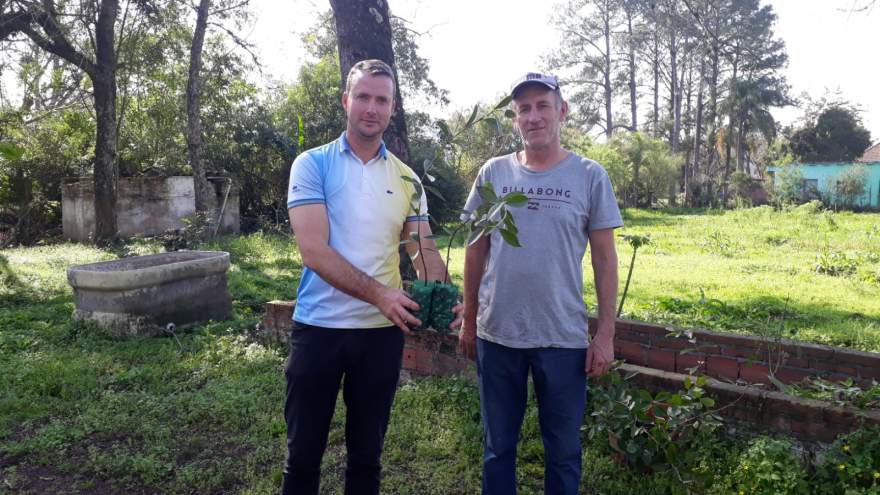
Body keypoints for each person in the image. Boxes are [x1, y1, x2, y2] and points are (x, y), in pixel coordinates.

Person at [284, 59, 460, 495]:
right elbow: (314, 251)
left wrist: (442, 293)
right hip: (319, 329)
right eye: (362, 96)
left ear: (392, 108)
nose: (371, 108)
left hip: (381, 337)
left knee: (366, 459)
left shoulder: (407, 178)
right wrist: (381, 293)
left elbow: (424, 252)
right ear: (346, 100)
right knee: (303, 456)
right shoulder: (312, 165)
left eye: (381, 99)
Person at [458, 72, 623, 495]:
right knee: (498, 449)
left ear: (562, 111)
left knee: (564, 451)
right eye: (523, 109)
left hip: (563, 339)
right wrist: (468, 319)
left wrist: (604, 335)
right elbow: (474, 250)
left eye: (542, 105)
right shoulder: (493, 173)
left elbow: (605, 259)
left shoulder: (589, 176)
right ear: (516, 118)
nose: (533, 117)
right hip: (498, 335)